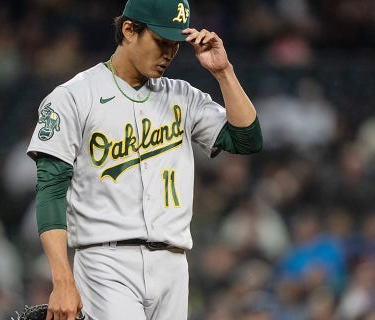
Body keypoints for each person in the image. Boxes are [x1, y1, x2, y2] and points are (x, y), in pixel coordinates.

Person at [26, 0, 263, 319]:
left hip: (173, 265)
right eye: (160, 41)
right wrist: (62, 280)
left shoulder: (184, 96)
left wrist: (224, 72)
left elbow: (247, 140)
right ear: (128, 30)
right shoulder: (73, 97)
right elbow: (50, 190)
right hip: (106, 262)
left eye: (175, 45)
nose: (168, 53)